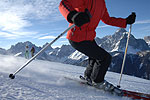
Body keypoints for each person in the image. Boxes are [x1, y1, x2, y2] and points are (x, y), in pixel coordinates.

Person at [59, 0, 136, 90]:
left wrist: (125, 21)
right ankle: (98, 82)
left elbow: (107, 19)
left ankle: (89, 77)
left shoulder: (101, 3)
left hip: (89, 38)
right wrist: (73, 15)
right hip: (77, 37)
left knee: (95, 57)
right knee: (105, 58)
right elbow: (64, 4)